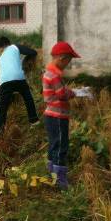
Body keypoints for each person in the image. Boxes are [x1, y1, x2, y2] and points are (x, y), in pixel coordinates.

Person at [43, 42, 93, 190]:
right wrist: (76, 92)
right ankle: (60, 180)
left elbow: (59, 92)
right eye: (68, 61)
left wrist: (73, 91)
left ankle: (51, 172)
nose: (68, 64)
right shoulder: (54, 76)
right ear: (61, 58)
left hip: (50, 115)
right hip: (58, 116)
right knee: (61, 146)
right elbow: (62, 94)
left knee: (54, 144)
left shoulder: (49, 72)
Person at [0, 36, 39, 136]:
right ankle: (34, 121)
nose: (0, 50)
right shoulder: (15, 47)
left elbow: (4, 71)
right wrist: (26, 61)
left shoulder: (0, 58)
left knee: (1, 108)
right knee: (28, 98)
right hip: (19, 78)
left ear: (2, 46)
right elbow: (33, 52)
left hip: (4, 82)